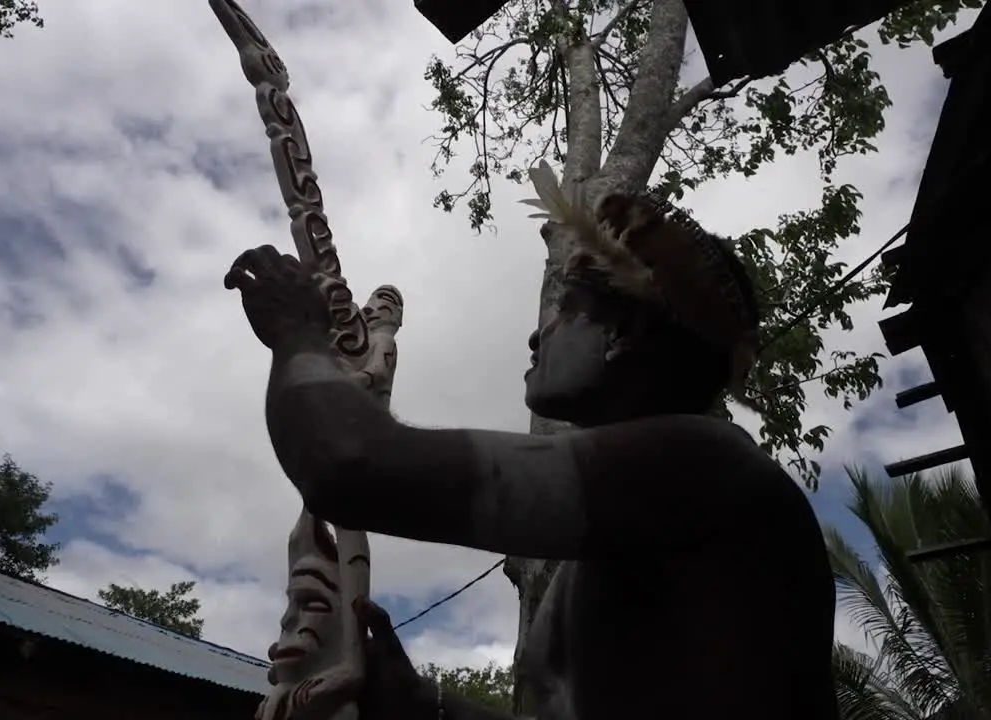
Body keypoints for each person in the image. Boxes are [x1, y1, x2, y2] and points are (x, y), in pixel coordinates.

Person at [223, 167, 839, 720]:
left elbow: (351, 467)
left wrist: (301, 336)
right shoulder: (633, 522)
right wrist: (425, 705)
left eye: (565, 309)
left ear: (621, 332)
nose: (535, 336)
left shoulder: (709, 470)